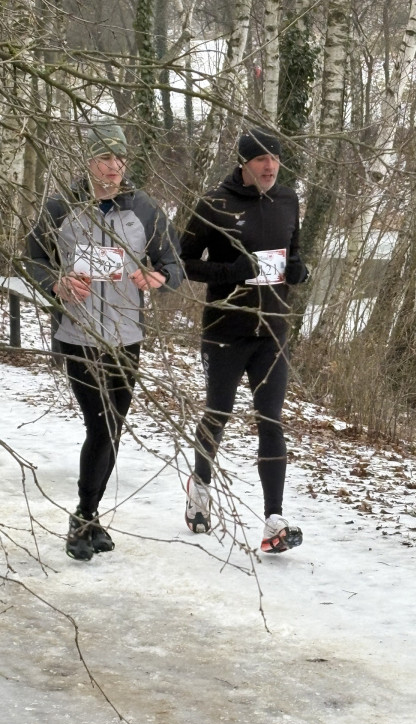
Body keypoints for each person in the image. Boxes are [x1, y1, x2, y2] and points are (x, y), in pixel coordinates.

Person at [26, 121, 183, 560]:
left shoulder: (144, 208)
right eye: (104, 158)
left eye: (120, 159)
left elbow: (174, 261)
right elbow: (32, 258)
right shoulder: (61, 207)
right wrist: (56, 283)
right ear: (89, 162)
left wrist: (158, 276)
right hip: (78, 336)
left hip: (126, 337)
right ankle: (83, 516)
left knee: (112, 427)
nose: (114, 167)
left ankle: (90, 517)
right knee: (100, 423)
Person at [180, 128, 308, 554]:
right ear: (244, 163)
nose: (270, 167)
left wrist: (297, 268)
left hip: (273, 331)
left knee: (270, 420)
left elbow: (293, 250)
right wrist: (229, 272)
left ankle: (275, 520)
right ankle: (200, 486)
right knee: (218, 413)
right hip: (225, 331)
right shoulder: (215, 204)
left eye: (275, 159)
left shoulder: (288, 200)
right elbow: (181, 262)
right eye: (261, 159)